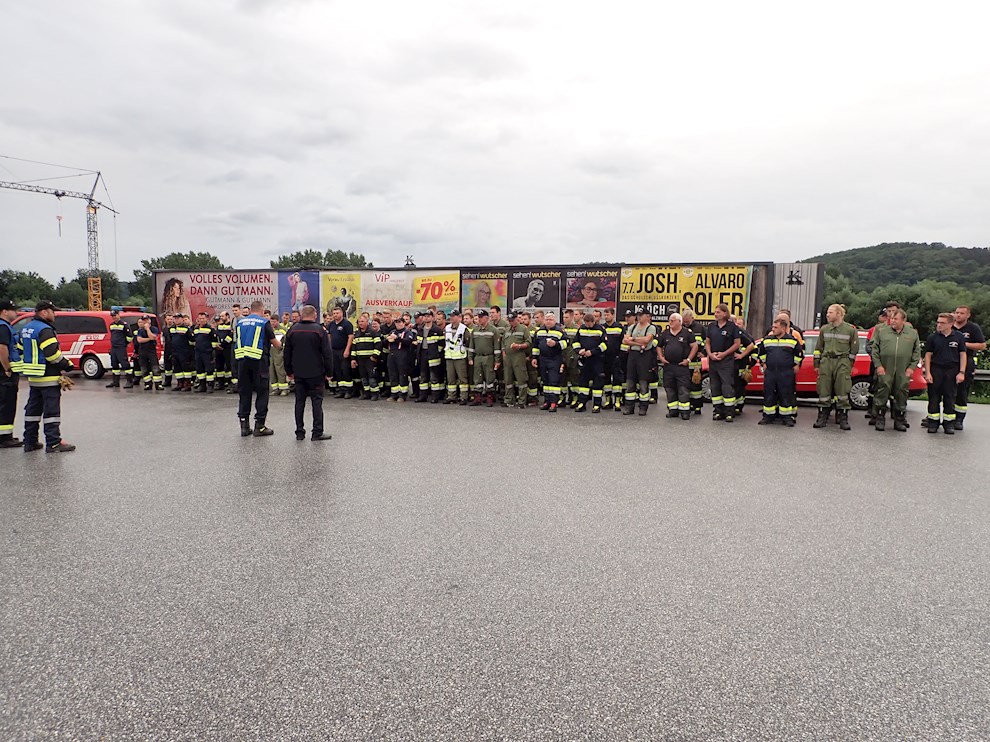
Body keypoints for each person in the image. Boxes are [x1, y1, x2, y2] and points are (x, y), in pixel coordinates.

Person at [16, 300, 75, 452]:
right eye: (52, 311)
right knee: (51, 413)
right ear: (44, 312)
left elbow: (20, 350)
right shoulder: (45, 329)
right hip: (48, 376)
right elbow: (52, 354)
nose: (54, 314)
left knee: (32, 411)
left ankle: (30, 441)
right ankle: (53, 443)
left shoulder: (26, 328)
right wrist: (67, 365)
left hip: (33, 377)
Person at [283, 304, 333, 441]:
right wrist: (329, 372)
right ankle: (317, 432)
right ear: (314, 315)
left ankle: (299, 432)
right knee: (317, 402)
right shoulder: (319, 330)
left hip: (299, 372)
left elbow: (287, 352)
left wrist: (289, 371)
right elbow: (327, 353)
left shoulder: (293, 330)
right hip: (316, 372)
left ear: (302, 315)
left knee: (299, 402)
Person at [234, 300, 280, 437]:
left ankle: (244, 426)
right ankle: (259, 426)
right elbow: (275, 343)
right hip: (258, 361)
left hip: (242, 361)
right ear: (262, 310)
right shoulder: (264, 322)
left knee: (244, 393)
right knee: (262, 392)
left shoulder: (240, 322)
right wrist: (281, 344)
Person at [869, 308, 920, 432]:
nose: (892, 321)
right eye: (891, 318)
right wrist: (878, 366)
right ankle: (879, 418)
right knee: (882, 391)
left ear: (903, 320)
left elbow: (916, 352)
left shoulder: (912, 334)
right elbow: (874, 350)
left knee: (901, 392)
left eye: (896, 319)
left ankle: (899, 419)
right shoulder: (882, 332)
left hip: (903, 369)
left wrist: (911, 368)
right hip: (886, 368)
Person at [812, 303, 858, 430]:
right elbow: (818, 348)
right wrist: (817, 364)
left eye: (830, 312)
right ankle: (822, 416)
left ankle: (843, 417)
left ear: (839, 314)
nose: (827, 315)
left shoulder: (850, 330)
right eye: (827, 312)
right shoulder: (824, 329)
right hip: (826, 361)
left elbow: (854, 350)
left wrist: (849, 364)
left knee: (843, 390)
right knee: (824, 390)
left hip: (842, 362)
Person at [924, 313, 967, 435]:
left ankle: (949, 424)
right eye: (938, 322)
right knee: (934, 398)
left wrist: (962, 372)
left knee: (950, 397)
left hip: (952, 370)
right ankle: (933, 423)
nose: (939, 325)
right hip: (936, 369)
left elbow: (962, 355)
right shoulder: (933, 337)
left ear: (951, 324)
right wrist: (928, 373)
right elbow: (928, 355)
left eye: (942, 323)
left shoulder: (958, 337)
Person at [756, 318, 803, 426]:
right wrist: (763, 363)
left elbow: (799, 354)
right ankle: (768, 416)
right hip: (771, 372)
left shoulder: (792, 340)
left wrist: (796, 364)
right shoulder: (767, 340)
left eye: (776, 327)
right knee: (769, 394)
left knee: (785, 394)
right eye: (773, 327)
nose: (773, 329)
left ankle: (786, 417)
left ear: (783, 328)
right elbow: (761, 353)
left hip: (786, 372)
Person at [705, 303, 742, 422]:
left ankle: (729, 412)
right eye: (715, 312)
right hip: (713, 360)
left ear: (725, 313)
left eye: (718, 312)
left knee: (727, 386)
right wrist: (710, 354)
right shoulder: (711, 326)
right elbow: (707, 342)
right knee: (715, 386)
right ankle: (717, 411)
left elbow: (737, 344)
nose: (715, 314)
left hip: (726, 361)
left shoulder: (732, 327)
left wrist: (724, 354)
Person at [951, 305, 986, 430]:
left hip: (966, 362)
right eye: (957, 312)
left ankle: (959, 419)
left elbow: (982, 345)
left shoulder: (973, 328)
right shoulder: (949, 326)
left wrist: (963, 344)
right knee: (945, 391)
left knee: (962, 391)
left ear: (968, 315)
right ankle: (943, 417)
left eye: (961, 313)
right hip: (949, 362)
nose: (958, 315)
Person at [657, 312, 697, 420]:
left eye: (672, 320)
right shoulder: (665, 333)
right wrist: (661, 357)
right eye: (669, 320)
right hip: (669, 366)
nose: (670, 322)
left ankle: (684, 411)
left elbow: (694, 346)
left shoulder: (687, 333)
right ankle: (673, 410)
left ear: (679, 321)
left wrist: (688, 359)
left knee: (683, 389)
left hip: (681, 366)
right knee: (669, 389)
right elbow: (659, 346)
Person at [622, 310, 657, 416]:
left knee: (643, 383)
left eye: (641, 315)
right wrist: (637, 342)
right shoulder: (632, 327)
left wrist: (633, 339)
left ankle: (643, 407)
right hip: (633, 355)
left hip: (644, 356)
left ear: (647, 316)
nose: (639, 317)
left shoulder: (651, 328)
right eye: (638, 315)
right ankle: (629, 407)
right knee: (630, 382)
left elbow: (647, 340)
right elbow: (625, 340)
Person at [572, 312, 607, 412]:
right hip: (585, 360)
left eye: (589, 323)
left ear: (593, 321)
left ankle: (597, 405)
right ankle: (582, 403)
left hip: (597, 360)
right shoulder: (581, 329)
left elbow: (604, 345)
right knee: (583, 383)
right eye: (586, 323)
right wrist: (579, 350)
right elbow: (575, 342)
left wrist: (592, 352)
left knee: (597, 383)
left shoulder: (600, 329)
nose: (588, 325)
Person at [532, 311, 567, 411]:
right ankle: (547, 401)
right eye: (547, 319)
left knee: (553, 381)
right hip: (543, 359)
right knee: (545, 381)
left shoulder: (559, 331)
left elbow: (566, 343)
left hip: (555, 359)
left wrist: (555, 344)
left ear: (555, 321)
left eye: (550, 319)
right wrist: (534, 357)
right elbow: (535, 345)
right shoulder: (539, 331)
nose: (548, 321)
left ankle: (553, 403)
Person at [0, 299, 23, 447]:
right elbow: (2, 349)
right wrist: (7, 369)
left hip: (5, 373)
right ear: (4, 311)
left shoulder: (5, 326)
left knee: (7, 404)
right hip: (5, 374)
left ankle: (6, 435)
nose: (16, 313)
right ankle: (4, 438)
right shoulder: (3, 327)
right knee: (6, 404)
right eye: (13, 310)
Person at [468, 309, 500, 406]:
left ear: (487, 318)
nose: (479, 319)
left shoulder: (493, 330)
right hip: (478, 357)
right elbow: (471, 345)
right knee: (477, 378)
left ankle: (490, 397)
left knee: (489, 378)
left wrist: (497, 360)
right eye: (478, 317)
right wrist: (470, 357)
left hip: (488, 357)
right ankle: (477, 397)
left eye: (481, 318)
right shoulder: (475, 330)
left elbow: (497, 347)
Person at [501, 310, 530, 408]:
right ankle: (508, 399)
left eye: (512, 320)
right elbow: (503, 343)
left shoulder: (523, 329)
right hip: (508, 357)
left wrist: (519, 346)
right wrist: (503, 352)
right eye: (509, 321)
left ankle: (522, 401)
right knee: (507, 379)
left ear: (517, 319)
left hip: (518, 356)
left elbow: (528, 342)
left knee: (521, 379)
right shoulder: (507, 330)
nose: (511, 322)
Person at [385, 315, 416, 401]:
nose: (398, 324)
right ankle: (394, 394)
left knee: (402, 375)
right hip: (392, 355)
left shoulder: (407, 332)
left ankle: (403, 395)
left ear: (403, 323)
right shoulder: (392, 332)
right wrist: (387, 339)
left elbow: (408, 342)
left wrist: (397, 338)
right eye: (396, 322)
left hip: (402, 356)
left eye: (399, 322)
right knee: (393, 375)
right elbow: (384, 343)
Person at [351, 314, 382, 400]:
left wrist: (374, 356)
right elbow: (354, 347)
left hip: (370, 359)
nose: (360, 323)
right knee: (363, 377)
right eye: (359, 322)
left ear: (367, 322)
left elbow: (378, 345)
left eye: (362, 321)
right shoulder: (357, 333)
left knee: (372, 377)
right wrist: (353, 359)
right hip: (360, 359)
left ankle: (375, 394)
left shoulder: (372, 332)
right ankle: (366, 393)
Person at [681, 309, 706, 415]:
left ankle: (697, 406)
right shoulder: (681, 328)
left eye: (687, 321)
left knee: (696, 385)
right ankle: (689, 404)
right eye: (684, 322)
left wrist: (704, 352)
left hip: (695, 362)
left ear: (692, 318)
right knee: (685, 384)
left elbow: (708, 342)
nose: (686, 323)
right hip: (684, 361)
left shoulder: (700, 328)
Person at [443, 310, 470, 404]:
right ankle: (451, 396)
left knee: (462, 378)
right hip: (449, 356)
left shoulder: (464, 329)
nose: (451, 318)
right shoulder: (447, 328)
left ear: (459, 317)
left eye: (453, 316)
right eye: (451, 316)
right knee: (450, 378)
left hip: (460, 357)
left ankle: (463, 397)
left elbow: (468, 342)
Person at [732, 315, 757, 417]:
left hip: (743, 366)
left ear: (743, 325)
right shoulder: (733, 334)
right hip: (733, 365)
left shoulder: (747, 337)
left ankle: (739, 406)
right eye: (736, 323)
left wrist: (750, 364)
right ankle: (735, 406)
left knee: (740, 387)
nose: (737, 325)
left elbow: (754, 351)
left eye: (739, 324)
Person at [327, 306, 355, 398]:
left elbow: (350, 337)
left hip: (343, 350)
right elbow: (329, 336)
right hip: (334, 350)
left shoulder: (347, 324)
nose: (335, 315)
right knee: (337, 370)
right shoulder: (331, 324)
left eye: (337, 313)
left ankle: (348, 391)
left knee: (345, 370)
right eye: (334, 313)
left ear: (342, 313)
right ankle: (341, 390)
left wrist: (347, 350)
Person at [601, 307, 624, 411]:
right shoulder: (602, 328)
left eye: (608, 315)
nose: (606, 317)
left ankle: (617, 401)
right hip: (605, 358)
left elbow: (623, 342)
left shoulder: (619, 327)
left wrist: (620, 355)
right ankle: (608, 400)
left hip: (616, 357)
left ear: (613, 315)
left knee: (617, 379)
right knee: (606, 379)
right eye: (605, 315)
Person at [105, 310, 134, 389]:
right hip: (114, 348)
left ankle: (129, 382)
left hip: (121, 348)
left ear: (118, 315)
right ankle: (115, 382)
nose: (114, 317)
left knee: (125, 364)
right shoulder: (111, 325)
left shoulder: (124, 325)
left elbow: (130, 337)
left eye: (115, 315)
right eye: (112, 316)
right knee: (114, 364)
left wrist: (124, 344)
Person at [134, 315, 164, 391]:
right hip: (142, 351)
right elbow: (139, 340)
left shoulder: (154, 329)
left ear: (149, 320)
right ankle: (148, 384)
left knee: (155, 368)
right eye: (144, 320)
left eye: (147, 320)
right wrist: (149, 338)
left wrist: (147, 329)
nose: (145, 321)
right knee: (144, 368)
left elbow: (153, 337)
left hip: (151, 351)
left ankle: (158, 384)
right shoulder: (140, 330)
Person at [192, 312, 218, 393]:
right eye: (200, 318)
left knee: (209, 369)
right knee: (199, 370)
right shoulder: (196, 329)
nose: (201, 320)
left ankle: (210, 386)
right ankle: (202, 386)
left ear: (206, 319)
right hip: (198, 352)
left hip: (207, 352)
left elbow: (214, 341)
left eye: (203, 318)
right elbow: (194, 339)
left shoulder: (210, 329)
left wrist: (212, 351)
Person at [169, 314, 195, 392]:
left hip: (184, 352)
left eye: (178, 318)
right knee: (177, 369)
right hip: (175, 352)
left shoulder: (186, 329)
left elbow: (192, 340)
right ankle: (180, 383)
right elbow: (170, 339)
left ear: (182, 319)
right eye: (175, 318)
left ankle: (187, 384)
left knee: (186, 368)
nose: (176, 320)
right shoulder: (171, 329)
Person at [267, 312, 289, 396]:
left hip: (279, 353)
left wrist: (283, 352)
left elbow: (286, 342)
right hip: (270, 352)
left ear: (278, 321)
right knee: (271, 371)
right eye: (271, 322)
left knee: (280, 371)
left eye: (274, 322)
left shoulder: (283, 330)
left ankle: (284, 389)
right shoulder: (269, 329)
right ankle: (275, 389)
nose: (273, 323)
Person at [214, 312, 233, 390]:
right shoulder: (219, 326)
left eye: (222, 316)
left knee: (228, 366)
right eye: (220, 316)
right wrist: (217, 344)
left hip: (227, 348)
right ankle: (220, 383)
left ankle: (229, 383)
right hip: (219, 349)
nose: (221, 317)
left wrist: (223, 344)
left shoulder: (231, 325)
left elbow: (231, 336)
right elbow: (217, 335)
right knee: (219, 366)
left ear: (227, 316)